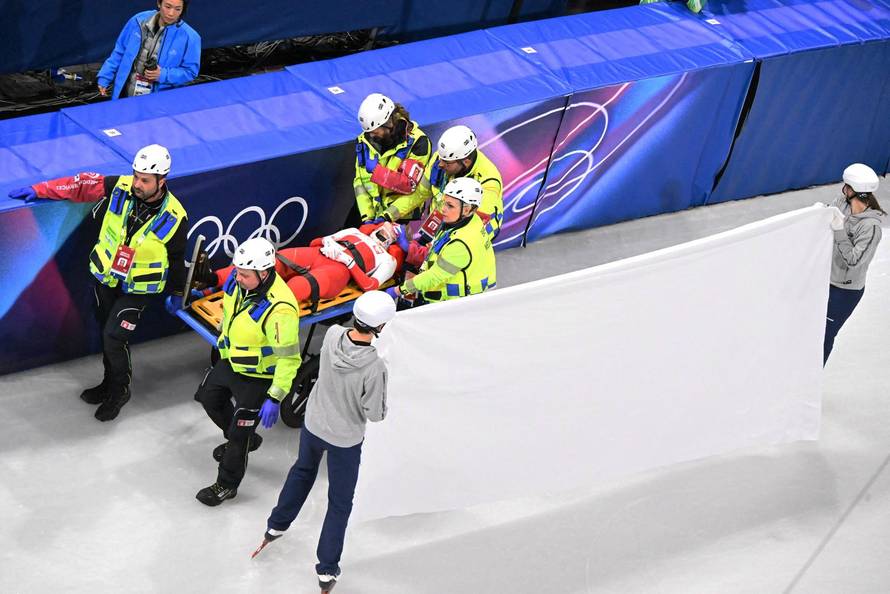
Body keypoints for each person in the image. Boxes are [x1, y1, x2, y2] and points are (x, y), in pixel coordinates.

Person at [8, 145, 188, 421]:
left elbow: (176, 259)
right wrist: (40, 189)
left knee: (114, 336)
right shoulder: (119, 185)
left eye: (145, 180)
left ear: (161, 181)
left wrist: (177, 292)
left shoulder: (175, 216)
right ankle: (107, 383)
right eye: (136, 176)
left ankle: (120, 390)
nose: (137, 184)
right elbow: (78, 185)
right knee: (106, 330)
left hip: (138, 288)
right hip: (107, 277)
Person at [252, 290, 396, 593]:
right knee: (339, 503)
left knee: (302, 471)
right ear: (381, 327)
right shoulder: (375, 368)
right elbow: (376, 413)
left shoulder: (332, 335)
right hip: (345, 439)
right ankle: (327, 568)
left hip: (314, 424)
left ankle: (277, 524)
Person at [193, 237, 302, 506]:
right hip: (231, 361)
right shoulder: (240, 280)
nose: (237, 277)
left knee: (239, 432)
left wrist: (275, 397)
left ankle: (226, 484)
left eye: (243, 274)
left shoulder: (280, 309)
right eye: (237, 271)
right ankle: (244, 438)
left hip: (258, 377)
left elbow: (289, 360)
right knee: (209, 399)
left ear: (263, 273)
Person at [198, 222, 426, 306]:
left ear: (395, 239)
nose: (383, 233)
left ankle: (264, 304)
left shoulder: (387, 259)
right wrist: (327, 242)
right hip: (320, 253)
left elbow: (369, 285)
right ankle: (213, 278)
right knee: (277, 260)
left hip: (338, 271)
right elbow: (316, 241)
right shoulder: (356, 231)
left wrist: (347, 261)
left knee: (303, 283)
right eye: (383, 228)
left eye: (389, 233)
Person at [391, 177, 496, 305]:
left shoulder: (461, 242)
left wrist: (398, 290)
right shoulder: (468, 221)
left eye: (450, 206)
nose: (443, 209)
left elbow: (434, 277)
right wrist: (412, 249)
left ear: (467, 209)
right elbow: (440, 253)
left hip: (453, 305)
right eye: (444, 202)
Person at [823, 163, 884, 364]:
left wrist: (840, 230)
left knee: (824, 335)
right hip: (825, 279)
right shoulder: (841, 202)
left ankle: (810, 382)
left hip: (845, 291)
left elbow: (854, 260)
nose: (843, 190)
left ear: (852, 191)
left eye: (846, 186)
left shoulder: (871, 227)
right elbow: (826, 219)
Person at [97, 0, 201, 100]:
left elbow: (190, 72)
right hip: (125, 92)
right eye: (167, 7)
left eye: (178, 9)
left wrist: (163, 74)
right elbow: (120, 51)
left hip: (160, 101)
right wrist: (105, 76)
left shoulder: (190, 37)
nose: (171, 13)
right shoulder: (138, 21)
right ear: (159, 3)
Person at [353, 93, 432, 224]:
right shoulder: (365, 140)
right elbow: (359, 183)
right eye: (369, 132)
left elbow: (409, 185)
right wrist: (367, 217)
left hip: (402, 218)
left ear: (389, 123)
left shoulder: (419, 143)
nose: (371, 136)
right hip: (374, 216)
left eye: (375, 132)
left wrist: (378, 172)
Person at [416, 124, 504, 240]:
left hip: (461, 237)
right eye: (441, 159)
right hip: (438, 225)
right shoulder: (443, 158)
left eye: (447, 163)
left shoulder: (488, 181)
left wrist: (444, 244)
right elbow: (419, 193)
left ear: (466, 162)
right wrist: (389, 215)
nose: (440, 164)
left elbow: (478, 226)